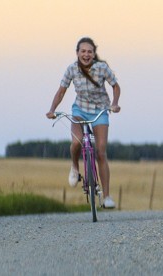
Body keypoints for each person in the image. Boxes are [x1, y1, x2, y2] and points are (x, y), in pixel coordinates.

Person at [46, 37, 121, 209]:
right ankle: (74, 167)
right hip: (79, 110)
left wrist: (115, 103)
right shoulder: (72, 69)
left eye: (89, 51)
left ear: (94, 53)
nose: (86, 54)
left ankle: (107, 197)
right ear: (77, 53)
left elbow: (116, 86)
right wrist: (52, 109)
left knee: (101, 151)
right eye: (83, 51)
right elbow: (61, 92)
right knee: (76, 142)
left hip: (100, 110)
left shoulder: (102, 68)